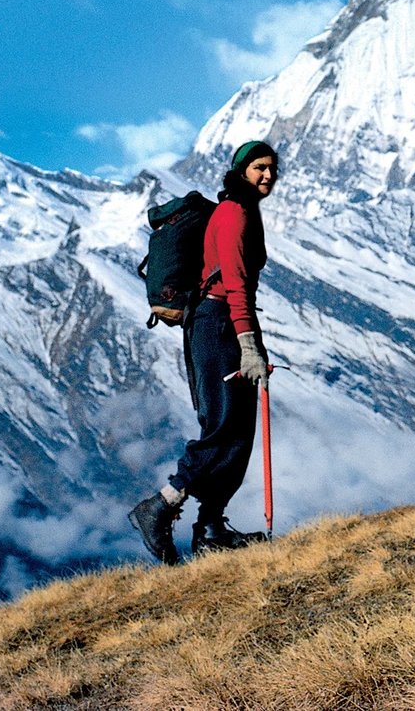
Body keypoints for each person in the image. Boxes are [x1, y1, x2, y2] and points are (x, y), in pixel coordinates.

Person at [130, 140, 280, 564]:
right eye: (259, 168)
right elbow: (233, 281)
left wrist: (252, 341)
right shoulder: (233, 214)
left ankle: (212, 529)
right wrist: (248, 344)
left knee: (238, 431)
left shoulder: (246, 211)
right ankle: (160, 505)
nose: (267, 175)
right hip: (217, 325)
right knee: (222, 425)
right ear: (241, 172)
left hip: (225, 323)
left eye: (272, 168)